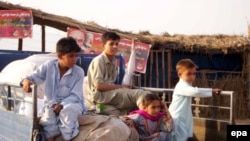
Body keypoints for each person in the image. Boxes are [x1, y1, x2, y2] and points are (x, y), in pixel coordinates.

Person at [21, 37, 86, 141]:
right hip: (51, 104)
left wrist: (62, 105)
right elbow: (33, 77)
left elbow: (76, 95)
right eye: (71, 56)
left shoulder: (79, 72)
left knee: (68, 112)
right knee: (48, 119)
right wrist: (26, 81)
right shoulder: (49, 66)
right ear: (60, 56)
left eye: (76, 56)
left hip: (72, 104)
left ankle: (67, 138)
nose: (74, 59)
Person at [86, 31, 149, 115]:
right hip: (100, 96)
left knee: (142, 101)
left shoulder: (113, 61)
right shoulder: (99, 61)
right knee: (141, 94)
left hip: (111, 94)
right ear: (103, 45)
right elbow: (99, 86)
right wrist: (121, 87)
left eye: (116, 44)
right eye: (111, 44)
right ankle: (146, 118)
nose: (115, 46)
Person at [169, 59, 221, 141]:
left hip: (182, 117)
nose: (192, 76)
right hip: (177, 118)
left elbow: (194, 90)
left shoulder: (187, 85)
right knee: (180, 138)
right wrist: (211, 91)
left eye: (194, 74)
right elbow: (195, 91)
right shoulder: (181, 86)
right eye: (189, 74)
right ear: (180, 74)